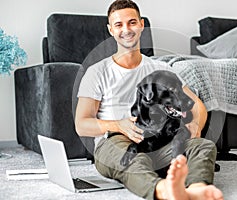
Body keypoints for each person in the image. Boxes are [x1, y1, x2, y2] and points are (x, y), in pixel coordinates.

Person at [75, 0, 223, 199]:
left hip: (160, 141)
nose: (126, 29)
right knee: (133, 159)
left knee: (204, 146)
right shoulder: (97, 72)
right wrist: (118, 125)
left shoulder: (161, 70)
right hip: (115, 141)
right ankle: (165, 191)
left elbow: (196, 104)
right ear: (111, 30)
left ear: (142, 24)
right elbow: (82, 124)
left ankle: (196, 188)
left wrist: (195, 126)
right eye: (119, 25)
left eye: (132, 22)